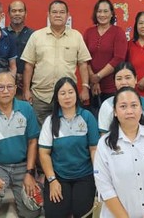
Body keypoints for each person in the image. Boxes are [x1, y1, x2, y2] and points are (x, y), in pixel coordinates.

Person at [94, 87, 144, 217]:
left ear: (141, 109)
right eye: (123, 106)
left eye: (134, 105)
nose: (129, 111)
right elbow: (104, 186)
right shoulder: (104, 144)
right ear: (115, 112)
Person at [0, 71, 41, 218]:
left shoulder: (26, 109)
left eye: (10, 86)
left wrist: (30, 173)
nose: (6, 91)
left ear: (16, 89)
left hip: (22, 165)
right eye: (1, 87)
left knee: (31, 213)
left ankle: (21, 199)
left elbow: (32, 142)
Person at [22, 0, 92, 124]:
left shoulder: (76, 36)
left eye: (62, 12)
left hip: (67, 96)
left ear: (68, 15)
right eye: (54, 12)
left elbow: (83, 64)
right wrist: (26, 90)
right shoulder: (36, 36)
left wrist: (85, 87)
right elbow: (29, 65)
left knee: (66, 131)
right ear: (48, 15)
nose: (58, 15)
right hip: (40, 97)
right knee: (39, 132)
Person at [39, 77, 98, 217]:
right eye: (62, 93)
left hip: (84, 175)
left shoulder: (87, 117)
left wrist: (98, 177)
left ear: (76, 94)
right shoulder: (50, 121)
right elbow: (44, 153)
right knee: (55, 213)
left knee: (83, 213)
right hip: (59, 175)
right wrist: (52, 180)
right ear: (57, 97)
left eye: (71, 92)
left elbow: (94, 149)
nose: (67, 97)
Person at [84, 0, 128, 114]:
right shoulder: (88, 32)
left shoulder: (118, 32)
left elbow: (118, 58)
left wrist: (98, 76)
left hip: (112, 86)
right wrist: (93, 79)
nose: (102, 14)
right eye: (99, 11)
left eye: (105, 11)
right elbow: (85, 58)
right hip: (92, 86)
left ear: (112, 13)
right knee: (94, 117)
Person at [98, 61, 144, 133]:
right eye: (119, 79)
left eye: (128, 78)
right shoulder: (107, 104)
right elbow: (104, 134)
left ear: (135, 79)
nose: (124, 82)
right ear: (114, 82)